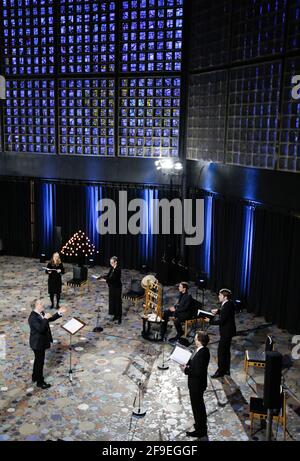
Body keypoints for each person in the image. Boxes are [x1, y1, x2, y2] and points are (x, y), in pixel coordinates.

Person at [28, 299, 67, 389]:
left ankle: (35, 377)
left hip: (41, 341)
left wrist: (59, 313)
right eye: (40, 303)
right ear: (36, 306)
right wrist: (45, 318)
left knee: (38, 361)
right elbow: (41, 329)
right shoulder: (32, 318)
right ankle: (40, 382)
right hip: (37, 343)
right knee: (40, 362)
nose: (43, 304)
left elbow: (50, 318)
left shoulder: (40, 313)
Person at [183, 330, 210, 439]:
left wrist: (186, 370)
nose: (194, 339)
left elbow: (197, 372)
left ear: (199, 340)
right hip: (198, 384)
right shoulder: (203, 350)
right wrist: (188, 363)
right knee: (198, 406)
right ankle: (199, 425)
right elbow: (195, 364)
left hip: (196, 385)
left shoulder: (201, 353)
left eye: (195, 338)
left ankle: (200, 430)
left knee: (197, 407)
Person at [206, 288, 236, 378]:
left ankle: (220, 371)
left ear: (225, 297)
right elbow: (225, 313)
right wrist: (218, 311)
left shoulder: (227, 305)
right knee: (226, 351)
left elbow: (222, 321)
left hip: (226, 332)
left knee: (221, 352)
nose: (218, 296)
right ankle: (226, 369)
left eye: (220, 295)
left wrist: (209, 321)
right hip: (228, 331)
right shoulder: (228, 303)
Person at [98, 256, 122, 324]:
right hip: (112, 287)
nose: (111, 264)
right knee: (112, 301)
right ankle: (115, 315)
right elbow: (108, 276)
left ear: (116, 262)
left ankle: (119, 317)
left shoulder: (118, 269)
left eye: (112, 262)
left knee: (118, 302)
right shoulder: (112, 268)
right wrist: (101, 277)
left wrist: (104, 280)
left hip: (117, 288)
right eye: (110, 262)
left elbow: (113, 279)